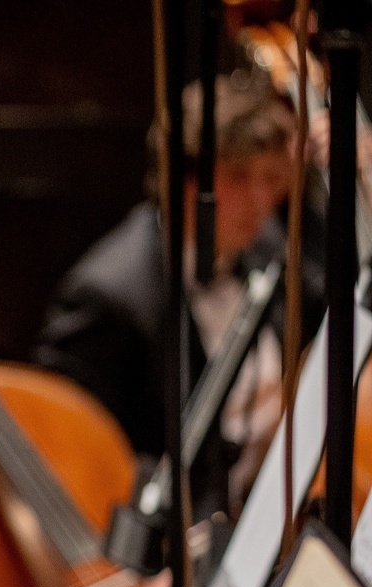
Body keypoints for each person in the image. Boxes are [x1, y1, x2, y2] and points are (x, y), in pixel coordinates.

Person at [34, 74, 314, 509]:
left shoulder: (262, 243)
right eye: (238, 178)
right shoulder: (106, 296)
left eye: (271, 178)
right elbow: (72, 456)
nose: (261, 200)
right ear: (184, 181)